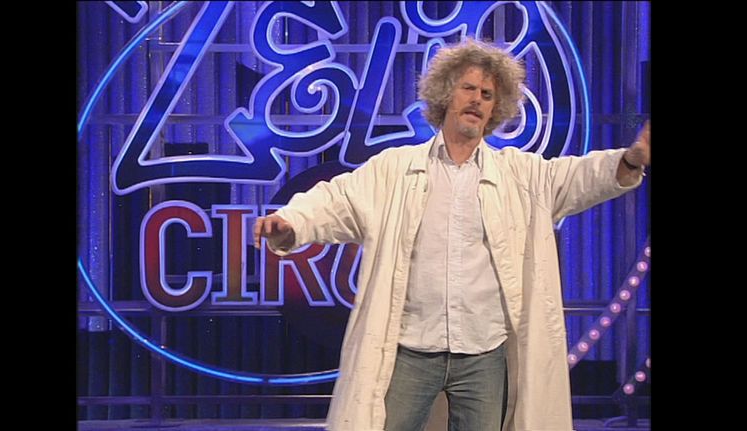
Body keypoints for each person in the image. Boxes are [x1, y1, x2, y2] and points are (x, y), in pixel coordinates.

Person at [254, 37, 650, 431]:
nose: (477, 99)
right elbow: (336, 199)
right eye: (468, 88)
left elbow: (578, 177)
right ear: (445, 93)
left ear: (496, 108)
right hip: (411, 349)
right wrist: (292, 221)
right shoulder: (395, 169)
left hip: (483, 354)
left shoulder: (521, 175)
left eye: (487, 95)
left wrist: (629, 160)